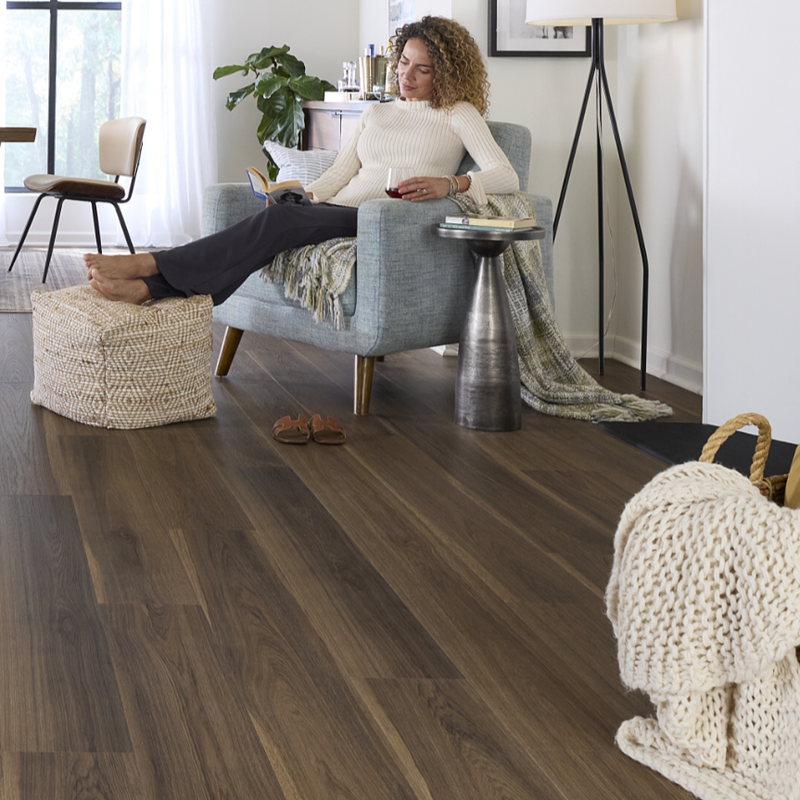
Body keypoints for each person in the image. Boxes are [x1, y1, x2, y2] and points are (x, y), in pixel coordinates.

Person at [84, 16, 520, 306]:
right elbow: (341, 172)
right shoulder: (378, 111)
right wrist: (302, 195)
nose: (406, 75)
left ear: (445, 73)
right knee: (277, 218)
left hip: (381, 219)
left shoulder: (457, 114)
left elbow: (507, 175)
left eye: (422, 69)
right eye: (403, 62)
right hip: (339, 208)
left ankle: (151, 264)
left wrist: (452, 184)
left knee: (277, 224)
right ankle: (149, 287)